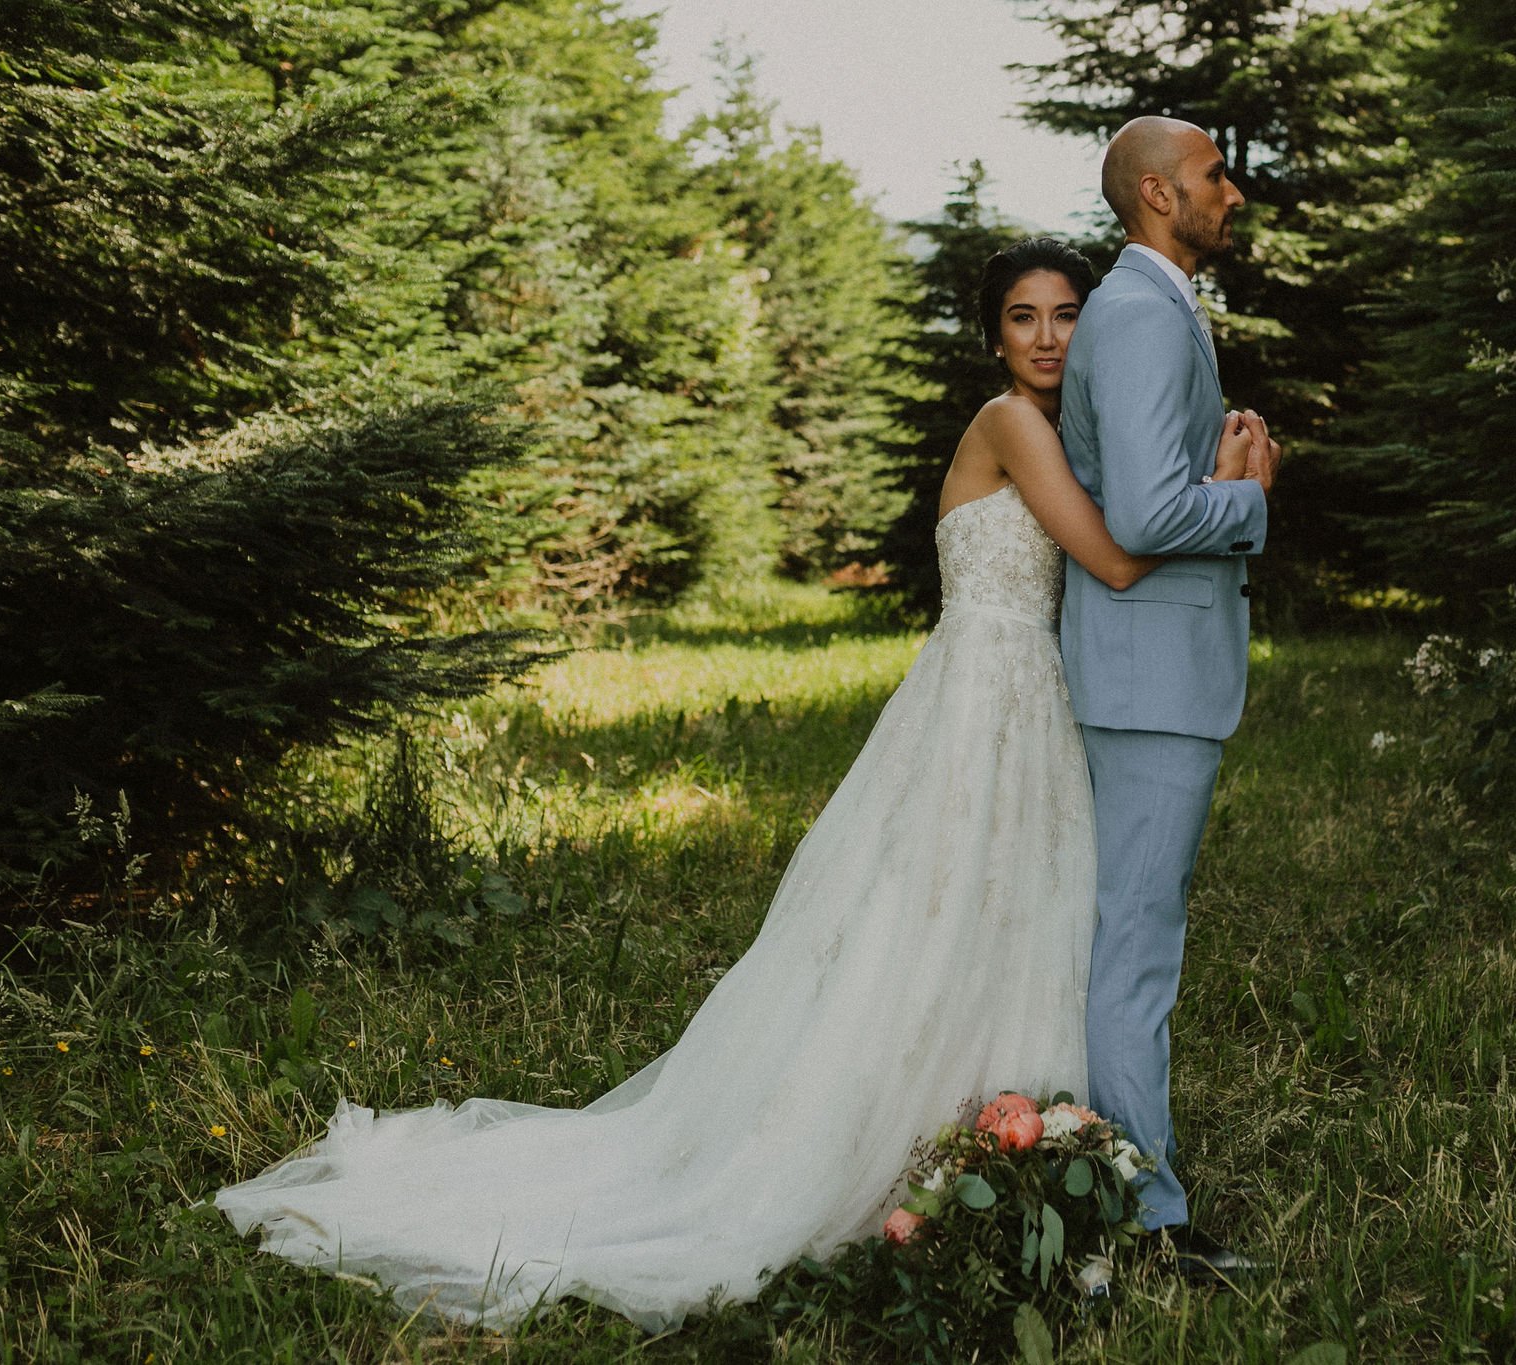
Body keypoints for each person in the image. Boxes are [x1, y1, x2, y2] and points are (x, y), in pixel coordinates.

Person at [213, 237, 1267, 1331]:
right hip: (979, 704)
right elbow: (1115, 556)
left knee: (1009, 924)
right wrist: (1229, 489)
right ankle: (895, 1141)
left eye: (1064, 316)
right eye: (1021, 318)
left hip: (1033, 706)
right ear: (990, 334)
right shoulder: (1007, 426)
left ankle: (1008, 1138)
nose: (1047, 338)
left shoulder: (1058, 433)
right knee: (931, 920)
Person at [1057, 116, 1283, 1281]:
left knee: (1128, 940)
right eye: (1212, 175)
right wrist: (1244, 498)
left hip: (1147, 671)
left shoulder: (1155, 306)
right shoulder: (1141, 314)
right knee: (1134, 950)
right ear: (1155, 195)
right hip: (1149, 682)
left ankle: (1102, 1180)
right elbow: (1145, 518)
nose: (1230, 191)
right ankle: (1144, 1224)